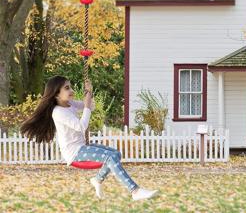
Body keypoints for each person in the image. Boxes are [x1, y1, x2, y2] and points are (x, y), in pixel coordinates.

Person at [20, 75, 159, 201]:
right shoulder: (58, 112)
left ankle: (97, 180)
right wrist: (86, 105)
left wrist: (89, 93)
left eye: (70, 86)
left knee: (116, 154)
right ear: (56, 93)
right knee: (109, 158)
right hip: (74, 152)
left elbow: (89, 106)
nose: (71, 90)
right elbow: (81, 126)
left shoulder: (69, 104)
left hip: (82, 147)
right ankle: (135, 191)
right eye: (67, 88)